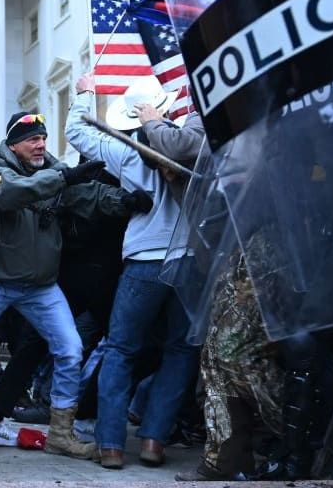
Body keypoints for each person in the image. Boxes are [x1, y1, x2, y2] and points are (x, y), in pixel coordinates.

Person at [0, 111, 151, 462]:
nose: (41, 144)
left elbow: (87, 195)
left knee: (70, 348)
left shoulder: (52, 170)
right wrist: (63, 177)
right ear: (14, 144)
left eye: (43, 138)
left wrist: (125, 201)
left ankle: (60, 433)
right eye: (32, 139)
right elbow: (13, 194)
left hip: (39, 286)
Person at [66, 72, 199, 469]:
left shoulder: (125, 151)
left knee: (122, 349)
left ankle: (109, 445)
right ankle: (154, 441)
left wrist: (85, 93)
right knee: (180, 350)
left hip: (143, 259)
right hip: (188, 259)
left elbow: (76, 131)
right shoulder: (189, 143)